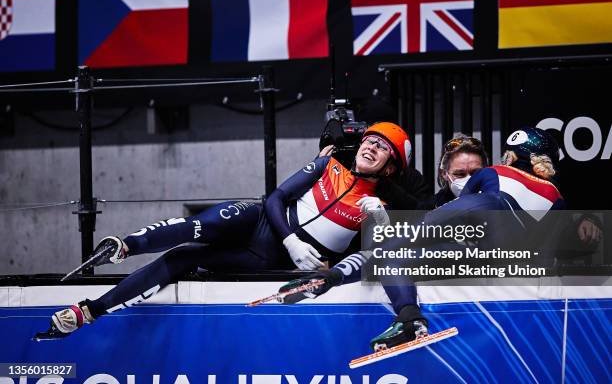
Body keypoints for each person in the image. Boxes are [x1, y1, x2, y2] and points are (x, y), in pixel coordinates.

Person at [36, 122, 413, 340]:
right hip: (265, 224)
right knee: (208, 224)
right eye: (370, 140)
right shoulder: (327, 165)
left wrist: (376, 220)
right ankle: (127, 245)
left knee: (182, 258)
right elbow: (276, 197)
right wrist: (291, 238)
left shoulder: (379, 207)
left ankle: (89, 311)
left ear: (390, 167)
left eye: (383, 148)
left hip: (267, 260)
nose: (372, 147)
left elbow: (377, 256)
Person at [278, 126, 565, 351]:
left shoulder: (495, 173)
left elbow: (461, 211)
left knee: (394, 247)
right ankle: (407, 319)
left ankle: (345, 284)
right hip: (503, 258)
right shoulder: (559, 199)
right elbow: (548, 254)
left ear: (512, 156)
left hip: (481, 227)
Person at [432, 134, 489, 208]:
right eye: (460, 174)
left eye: (476, 173)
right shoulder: (428, 211)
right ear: (444, 173)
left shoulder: (499, 207)